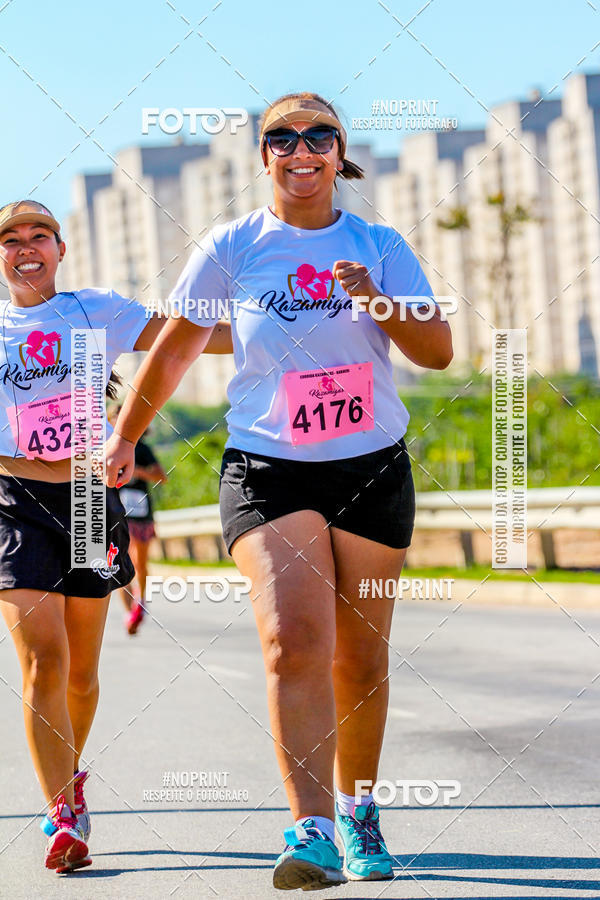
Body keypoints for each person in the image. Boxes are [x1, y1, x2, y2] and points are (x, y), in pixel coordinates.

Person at [105, 92, 453, 892]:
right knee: (295, 641)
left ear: (340, 150)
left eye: (320, 135)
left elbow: (436, 349)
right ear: (263, 156)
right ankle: (312, 830)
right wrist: (125, 436)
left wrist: (376, 298)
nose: (303, 148)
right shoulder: (232, 246)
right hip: (268, 465)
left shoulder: (379, 243)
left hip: (370, 467)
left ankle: (360, 809)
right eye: (282, 137)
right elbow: (174, 350)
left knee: (361, 659)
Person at [0, 200, 231, 873]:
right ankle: (61, 815)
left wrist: (287, 326)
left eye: (38, 235)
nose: (25, 247)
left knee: (79, 669)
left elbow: (183, 333)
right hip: (12, 498)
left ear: (61, 248)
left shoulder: (92, 310)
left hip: (83, 497)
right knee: (41, 660)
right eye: (10, 240)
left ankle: (69, 772)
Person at [114, 415, 168, 635]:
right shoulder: (106, 447)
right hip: (117, 513)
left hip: (141, 513)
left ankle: (141, 603)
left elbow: (162, 476)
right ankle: (130, 613)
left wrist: (136, 472)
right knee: (119, 562)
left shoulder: (142, 449)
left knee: (140, 563)